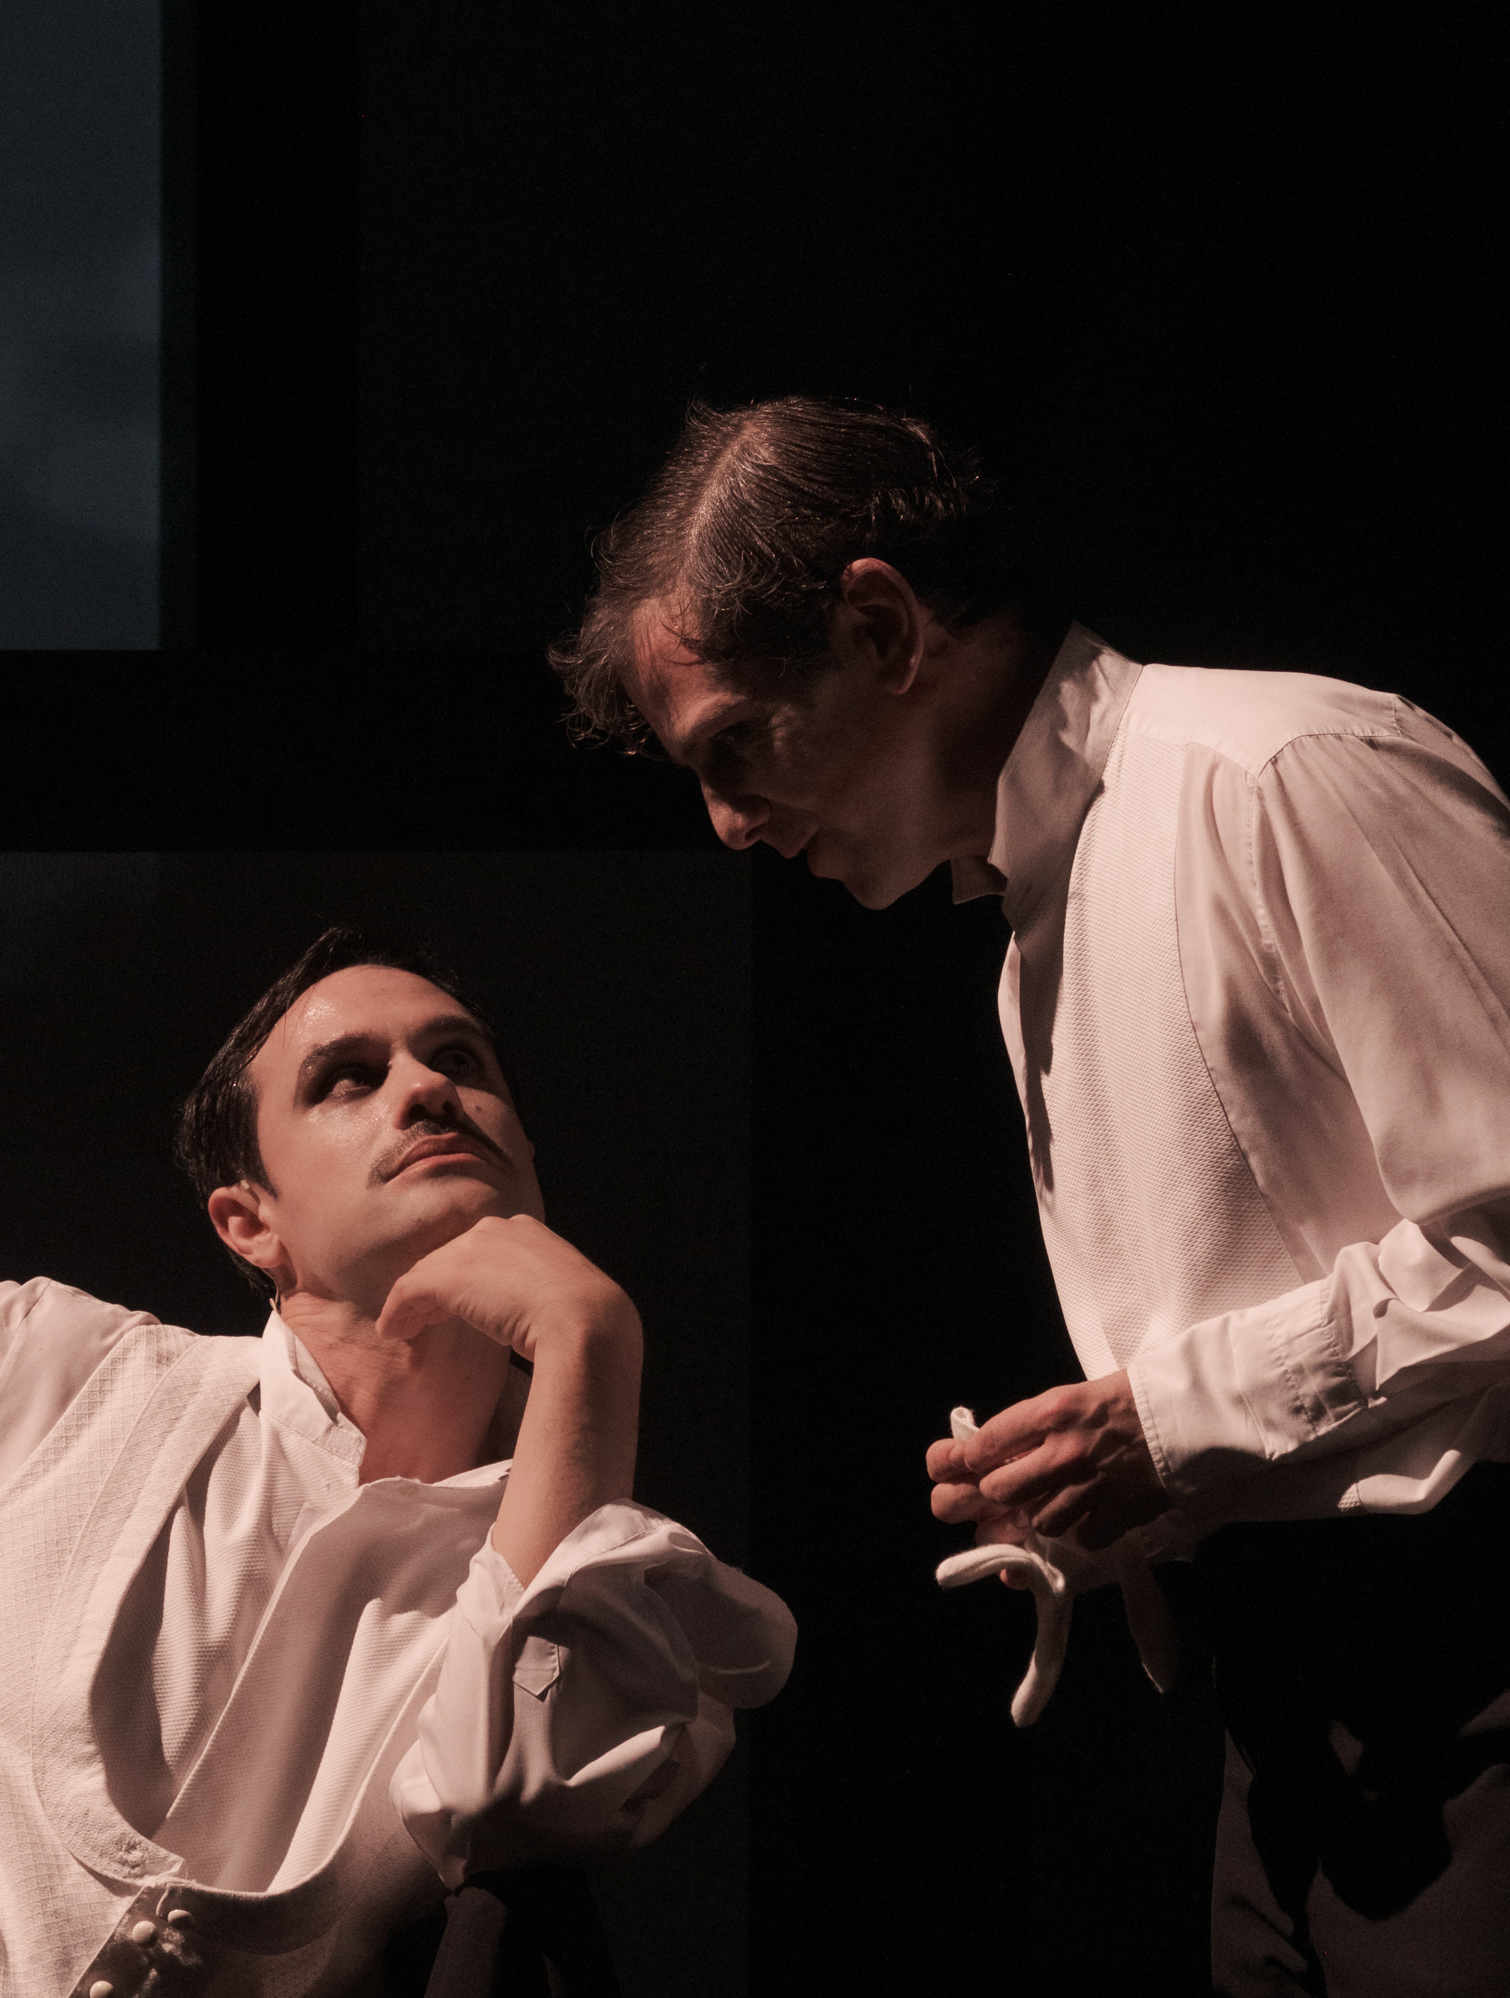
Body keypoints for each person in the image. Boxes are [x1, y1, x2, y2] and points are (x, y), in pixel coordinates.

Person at [548, 396, 1510, 1994]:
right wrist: (1106, 1487)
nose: (726, 822)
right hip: (1291, 1726)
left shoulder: (1279, 768)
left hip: (1470, 1674)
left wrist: (1172, 1419)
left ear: (879, 626)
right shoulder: (1031, 930)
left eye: (734, 746)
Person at [0, 926, 794, 1998]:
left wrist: (589, 1339)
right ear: (250, 1223)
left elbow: (510, 1804)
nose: (425, 1089)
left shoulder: (620, 1580)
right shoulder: (64, 1373)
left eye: (458, 1060)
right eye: (346, 1079)